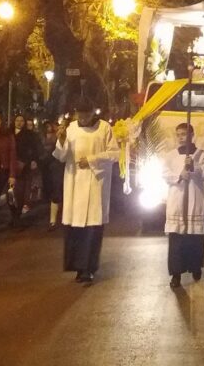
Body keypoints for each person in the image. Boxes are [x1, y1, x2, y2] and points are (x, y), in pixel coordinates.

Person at [53, 100, 119, 284]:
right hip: (74, 183)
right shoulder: (71, 128)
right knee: (75, 228)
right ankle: (76, 267)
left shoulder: (104, 128)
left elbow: (114, 154)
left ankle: (88, 268)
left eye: (86, 115)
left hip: (95, 184)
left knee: (91, 228)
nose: (83, 118)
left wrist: (91, 160)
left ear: (93, 113)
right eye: (79, 115)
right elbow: (61, 156)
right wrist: (61, 140)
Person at [165, 123, 204, 288]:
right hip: (177, 200)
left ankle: (195, 266)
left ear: (192, 135)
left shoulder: (201, 154)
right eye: (178, 134)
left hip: (194, 199)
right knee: (176, 239)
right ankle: (176, 274)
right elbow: (164, 174)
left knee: (194, 238)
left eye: (184, 134)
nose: (180, 137)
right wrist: (179, 175)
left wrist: (195, 167)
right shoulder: (170, 155)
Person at [12, 114, 43, 224]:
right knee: (11, 192)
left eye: (21, 120)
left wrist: (33, 160)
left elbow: (35, 149)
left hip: (25, 166)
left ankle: (18, 215)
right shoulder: (9, 134)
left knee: (21, 191)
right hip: (11, 166)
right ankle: (14, 214)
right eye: (17, 120)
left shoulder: (29, 135)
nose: (19, 122)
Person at [38, 120, 64, 230]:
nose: (49, 128)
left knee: (56, 191)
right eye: (47, 126)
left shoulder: (57, 137)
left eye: (51, 126)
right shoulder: (40, 137)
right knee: (49, 189)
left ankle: (53, 220)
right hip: (45, 166)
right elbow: (38, 149)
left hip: (56, 165)